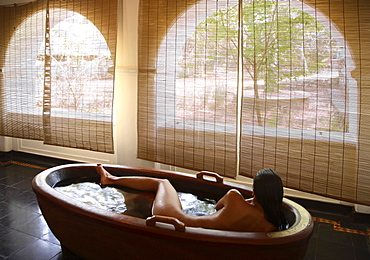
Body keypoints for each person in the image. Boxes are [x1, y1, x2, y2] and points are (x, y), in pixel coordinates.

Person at [96, 165, 288, 232]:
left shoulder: (235, 198)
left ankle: (111, 178)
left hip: (178, 220)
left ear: (254, 191)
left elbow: (218, 207)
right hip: (200, 231)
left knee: (162, 183)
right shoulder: (271, 224)